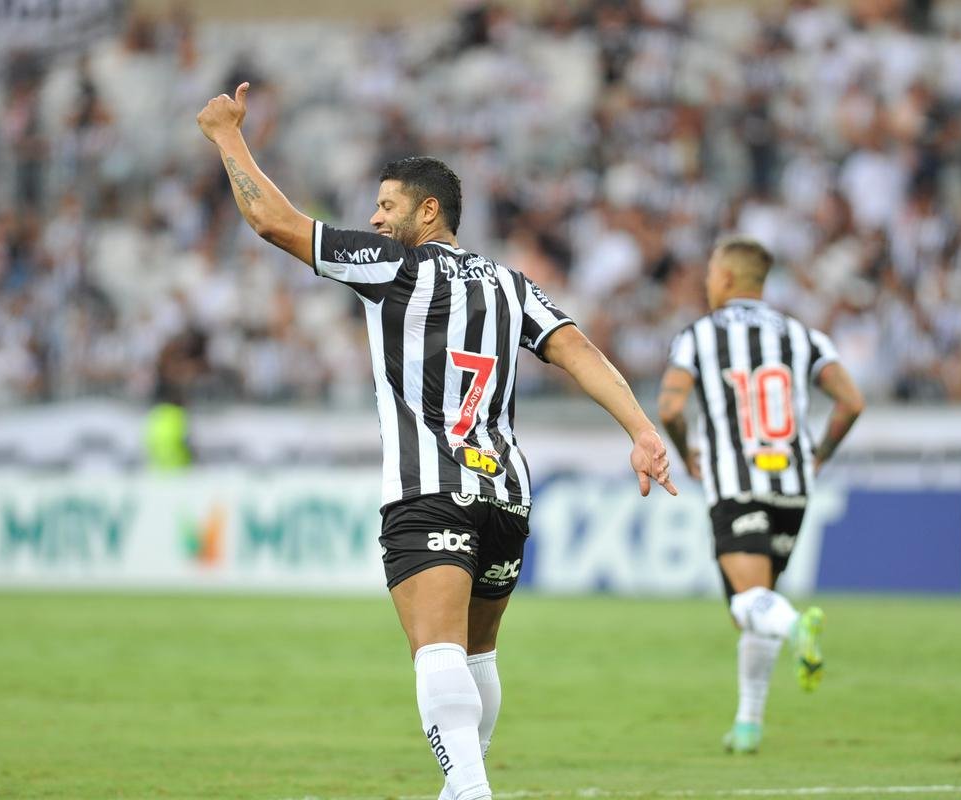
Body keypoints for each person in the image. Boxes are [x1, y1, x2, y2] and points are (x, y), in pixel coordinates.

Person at [197, 84, 677, 799]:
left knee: (437, 650)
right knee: (476, 654)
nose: (373, 217)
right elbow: (576, 349)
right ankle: (464, 786)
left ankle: (473, 790)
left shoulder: (395, 265)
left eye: (385, 205)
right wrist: (641, 429)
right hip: (507, 497)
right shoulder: (512, 284)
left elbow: (272, 222)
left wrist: (226, 137)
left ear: (429, 211)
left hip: (430, 492)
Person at [657, 236, 864, 755]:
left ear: (725, 278)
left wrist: (687, 452)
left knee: (752, 602)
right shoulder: (802, 335)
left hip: (738, 481)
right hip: (793, 486)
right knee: (753, 604)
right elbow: (850, 402)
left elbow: (670, 408)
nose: (707, 282)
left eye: (710, 273)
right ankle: (748, 725)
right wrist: (817, 456)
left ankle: (799, 627)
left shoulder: (699, 335)